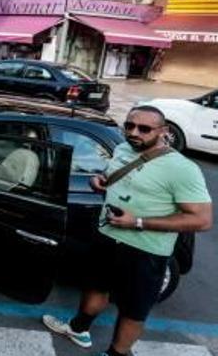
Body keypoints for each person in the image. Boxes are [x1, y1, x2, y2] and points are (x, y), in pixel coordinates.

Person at [42, 106, 212, 356]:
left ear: (164, 131)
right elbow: (112, 177)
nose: (134, 132)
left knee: (133, 309)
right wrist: (98, 181)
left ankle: (117, 353)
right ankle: (79, 330)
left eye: (144, 129)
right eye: (129, 126)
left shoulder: (182, 168)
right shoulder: (123, 149)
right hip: (107, 237)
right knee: (94, 287)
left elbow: (202, 220)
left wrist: (139, 222)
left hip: (146, 251)